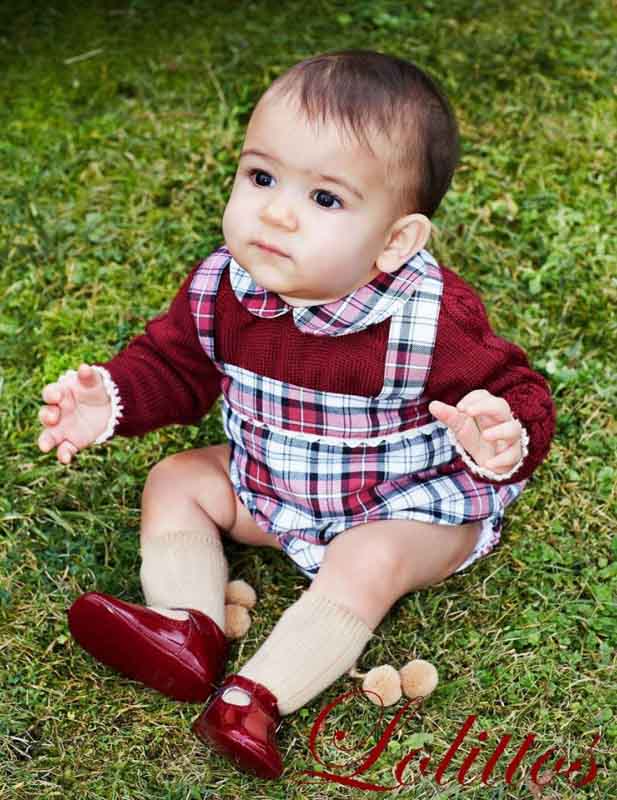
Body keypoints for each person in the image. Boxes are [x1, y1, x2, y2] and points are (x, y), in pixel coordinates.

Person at [37, 49, 555, 779]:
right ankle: (188, 630)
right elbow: (175, 367)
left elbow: (520, 390)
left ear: (394, 241)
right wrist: (112, 399)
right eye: (261, 176)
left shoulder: (428, 317)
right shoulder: (223, 286)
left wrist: (500, 435)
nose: (275, 211)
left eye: (324, 199)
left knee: (366, 559)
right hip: (272, 483)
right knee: (177, 478)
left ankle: (257, 698)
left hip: (402, 503)